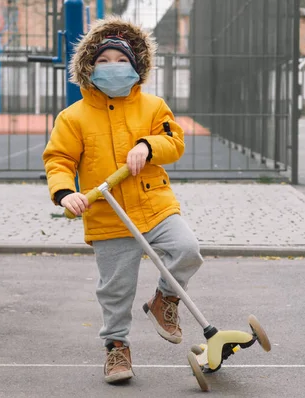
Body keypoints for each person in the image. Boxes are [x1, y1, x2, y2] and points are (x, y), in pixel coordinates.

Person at [42, 16, 203, 384]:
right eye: (103, 60)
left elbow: (174, 142)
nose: (113, 67)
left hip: (155, 205)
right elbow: (59, 160)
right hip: (106, 214)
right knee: (115, 290)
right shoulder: (73, 117)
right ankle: (117, 348)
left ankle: (165, 301)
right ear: (89, 68)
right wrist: (66, 193)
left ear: (136, 66)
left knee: (187, 249)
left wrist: (148, 146)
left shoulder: (152, 106)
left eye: (121, 61)